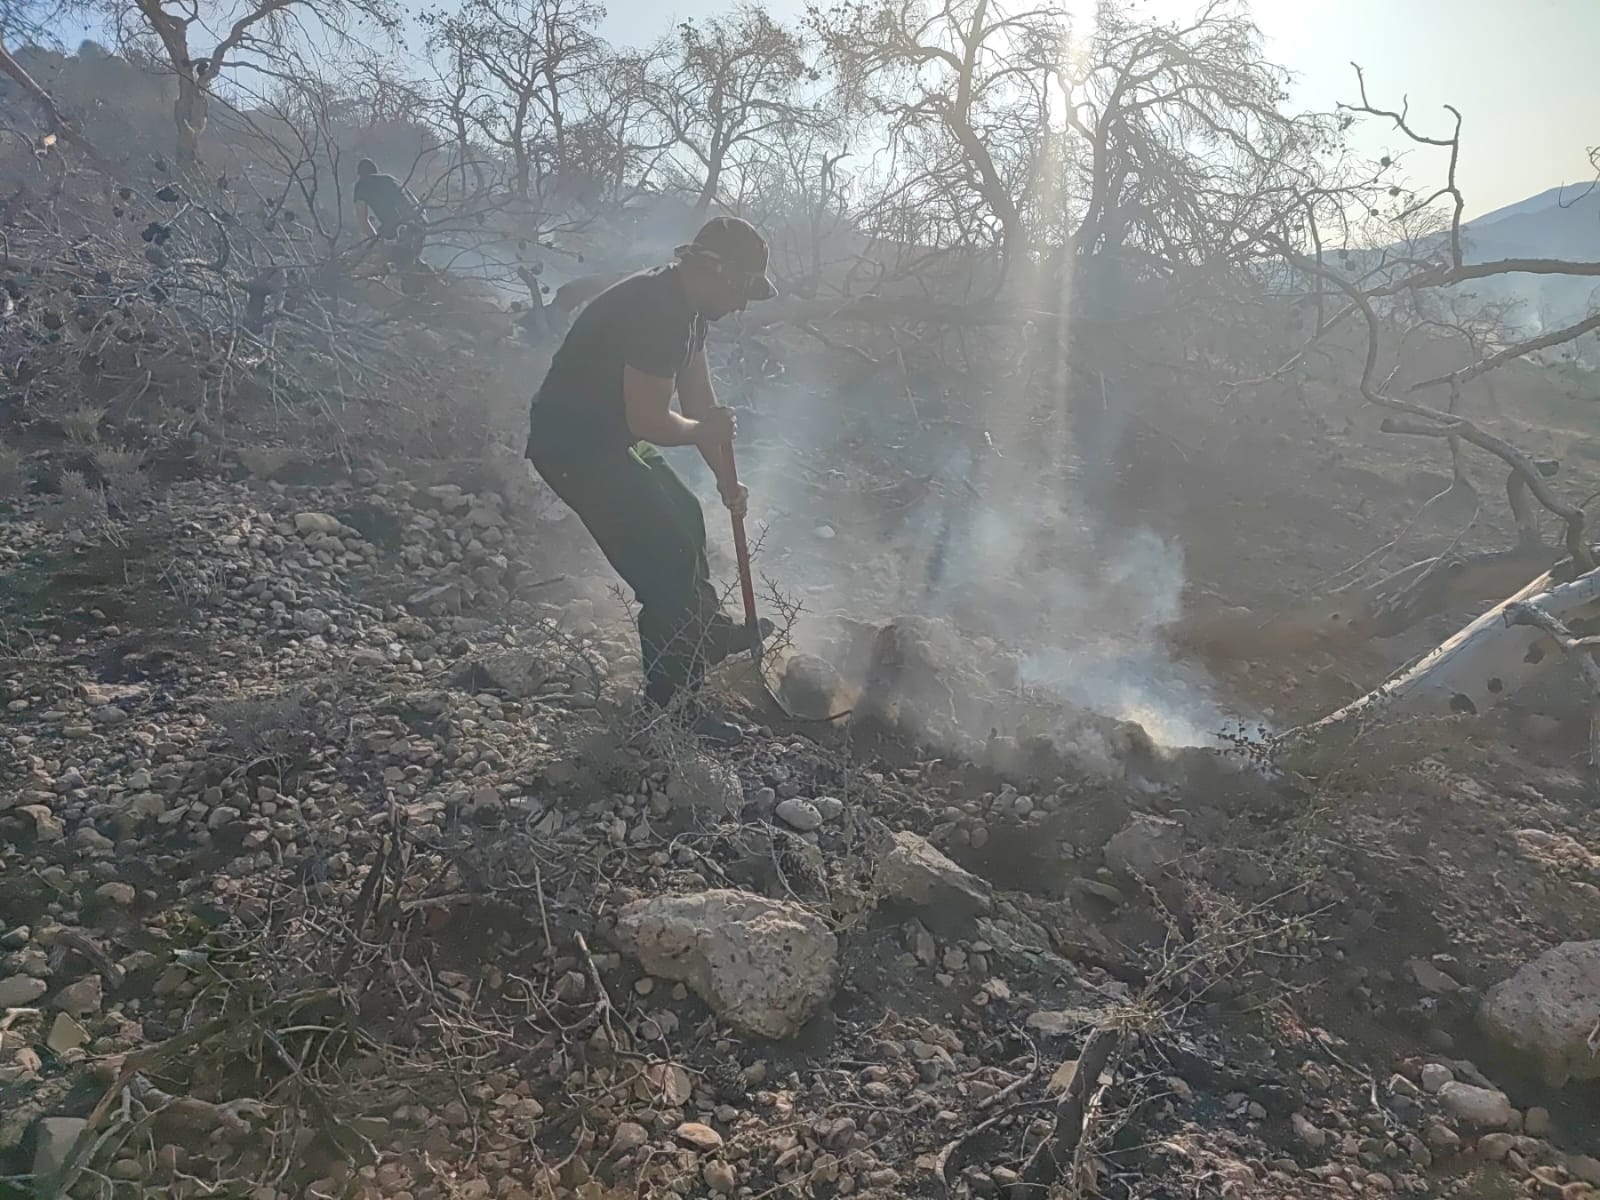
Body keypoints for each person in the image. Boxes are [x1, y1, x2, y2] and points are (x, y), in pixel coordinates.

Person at [526, 217, 779, 745]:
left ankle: (702, 632)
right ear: (713, 270)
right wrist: (704, 431)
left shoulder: (689, 314)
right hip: (574, 445)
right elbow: (651, 420)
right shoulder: (656, 311)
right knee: (666, 558)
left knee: (685, 515)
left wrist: (725, 481)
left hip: (610, 434)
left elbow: (699, 405)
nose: (743, 305)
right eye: (741, 289)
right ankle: (671, 709)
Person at [352, 158, 428, 277]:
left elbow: (362, 220)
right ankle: (431, 283)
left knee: (397, 264)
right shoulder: (390, 179)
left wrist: (377, 242)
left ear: (360, 175)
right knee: (410, 262)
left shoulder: (362, 184)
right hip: (421, 221)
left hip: (402, 225)